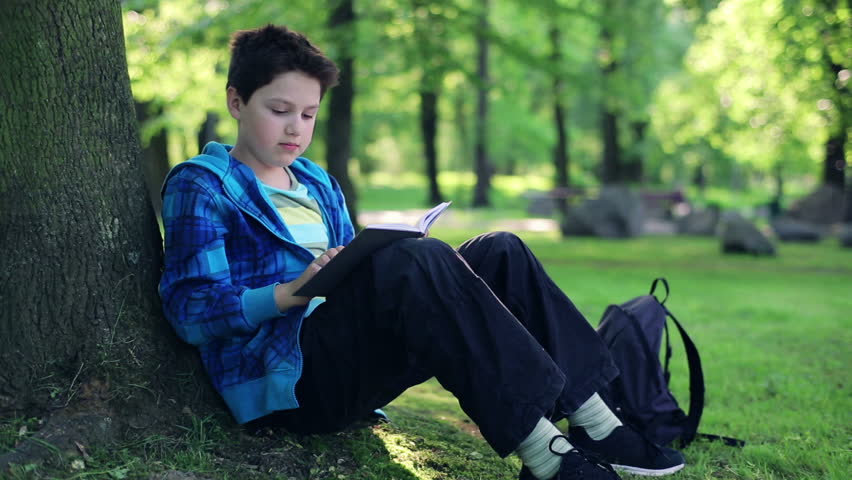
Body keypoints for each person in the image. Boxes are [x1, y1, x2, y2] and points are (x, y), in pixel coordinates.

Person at [159, 24, 686, 480]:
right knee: (417, 261)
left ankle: (596, 420)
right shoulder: (202, 185)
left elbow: (352, 267)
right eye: (279, 110)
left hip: (353, 354)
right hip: (289, 382)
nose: (297, 127)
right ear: (236, 102)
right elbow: (190, 311)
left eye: (309, 114)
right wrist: (287, 293)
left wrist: (352, 263)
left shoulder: (315, 182)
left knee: (500, 250)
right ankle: (545, 454)